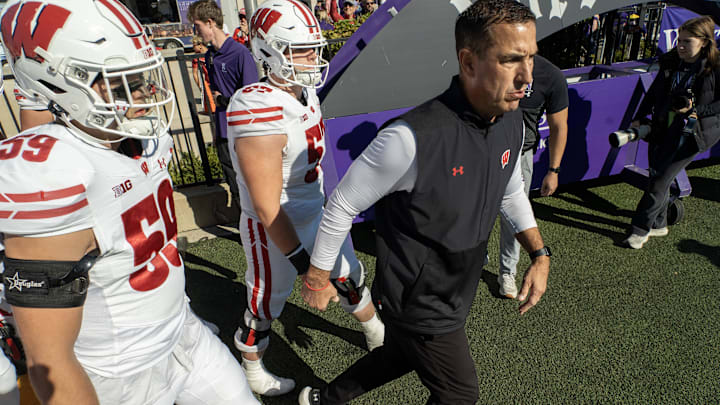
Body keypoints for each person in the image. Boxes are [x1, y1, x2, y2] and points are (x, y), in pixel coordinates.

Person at [0, 1, 258, 403]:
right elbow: (50, 357)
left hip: (182, 330)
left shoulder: (147, 139)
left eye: (140, 75)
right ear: (55, 83)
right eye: (119, 81)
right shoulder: (52, 172)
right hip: (120, 373)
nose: (144, 92)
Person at [298, 1, 550, 404]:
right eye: (510, 60)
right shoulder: (409, 139)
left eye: (531, 59)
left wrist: (539, 254)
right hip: (418, 300)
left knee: (399, 356)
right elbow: (342, 204)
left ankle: (323, 399)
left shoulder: (513, 123)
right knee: (459, 395)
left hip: (456, 288)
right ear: (468, 63)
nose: (526, 77)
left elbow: (510, 190)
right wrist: (317, 276)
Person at [227, 0, 384, 397]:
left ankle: (375, 330)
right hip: (273, 226)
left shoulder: (305, 93)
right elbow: (267, 206)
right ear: (266, 50)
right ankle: (251, 364)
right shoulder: (254, 106)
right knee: (266, 303)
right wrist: (305, 269)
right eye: (299, 50)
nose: (311, 58)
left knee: (349, 274)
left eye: (313, 48)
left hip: (315, 208)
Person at [624, 15, 720, 249]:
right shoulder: (671, 61)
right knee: (657, 171)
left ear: (704, 42)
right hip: (664, 123)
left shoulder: (715, 67)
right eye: (679, 39)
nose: (680, 45)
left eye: (687, 41)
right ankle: (659, 223)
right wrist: (638, 116)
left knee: (660, 179)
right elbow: (655, 92)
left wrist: (695, 108)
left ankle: (640, 228)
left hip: (696, 131)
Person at [497, 54, 567, 298]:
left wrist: (553, 170)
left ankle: (507, 271)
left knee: (514, 216)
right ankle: (471, 260)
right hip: (483, 149)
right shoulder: (489, 61)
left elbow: (559, 126)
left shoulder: (550, 75)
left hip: (521, 155)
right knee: (474, 210)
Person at [188, 0, 258, 213]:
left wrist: (222, 101)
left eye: (197, 26)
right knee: (234, 184)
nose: (195, 32)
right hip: (222, 130)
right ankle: (245, 231)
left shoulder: (240, 53)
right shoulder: (209, 55)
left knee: (251, 184)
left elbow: (251, 97)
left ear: (210, 23)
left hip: (243, 133)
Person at [191, 36, 215, 114]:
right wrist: (200, 86)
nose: (193, 47)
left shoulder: (212, 53)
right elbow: (194, 73)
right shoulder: (196, 57)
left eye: (194, 45)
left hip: (216, 79)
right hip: (207, 81)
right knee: (209, 102)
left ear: (200, 45)